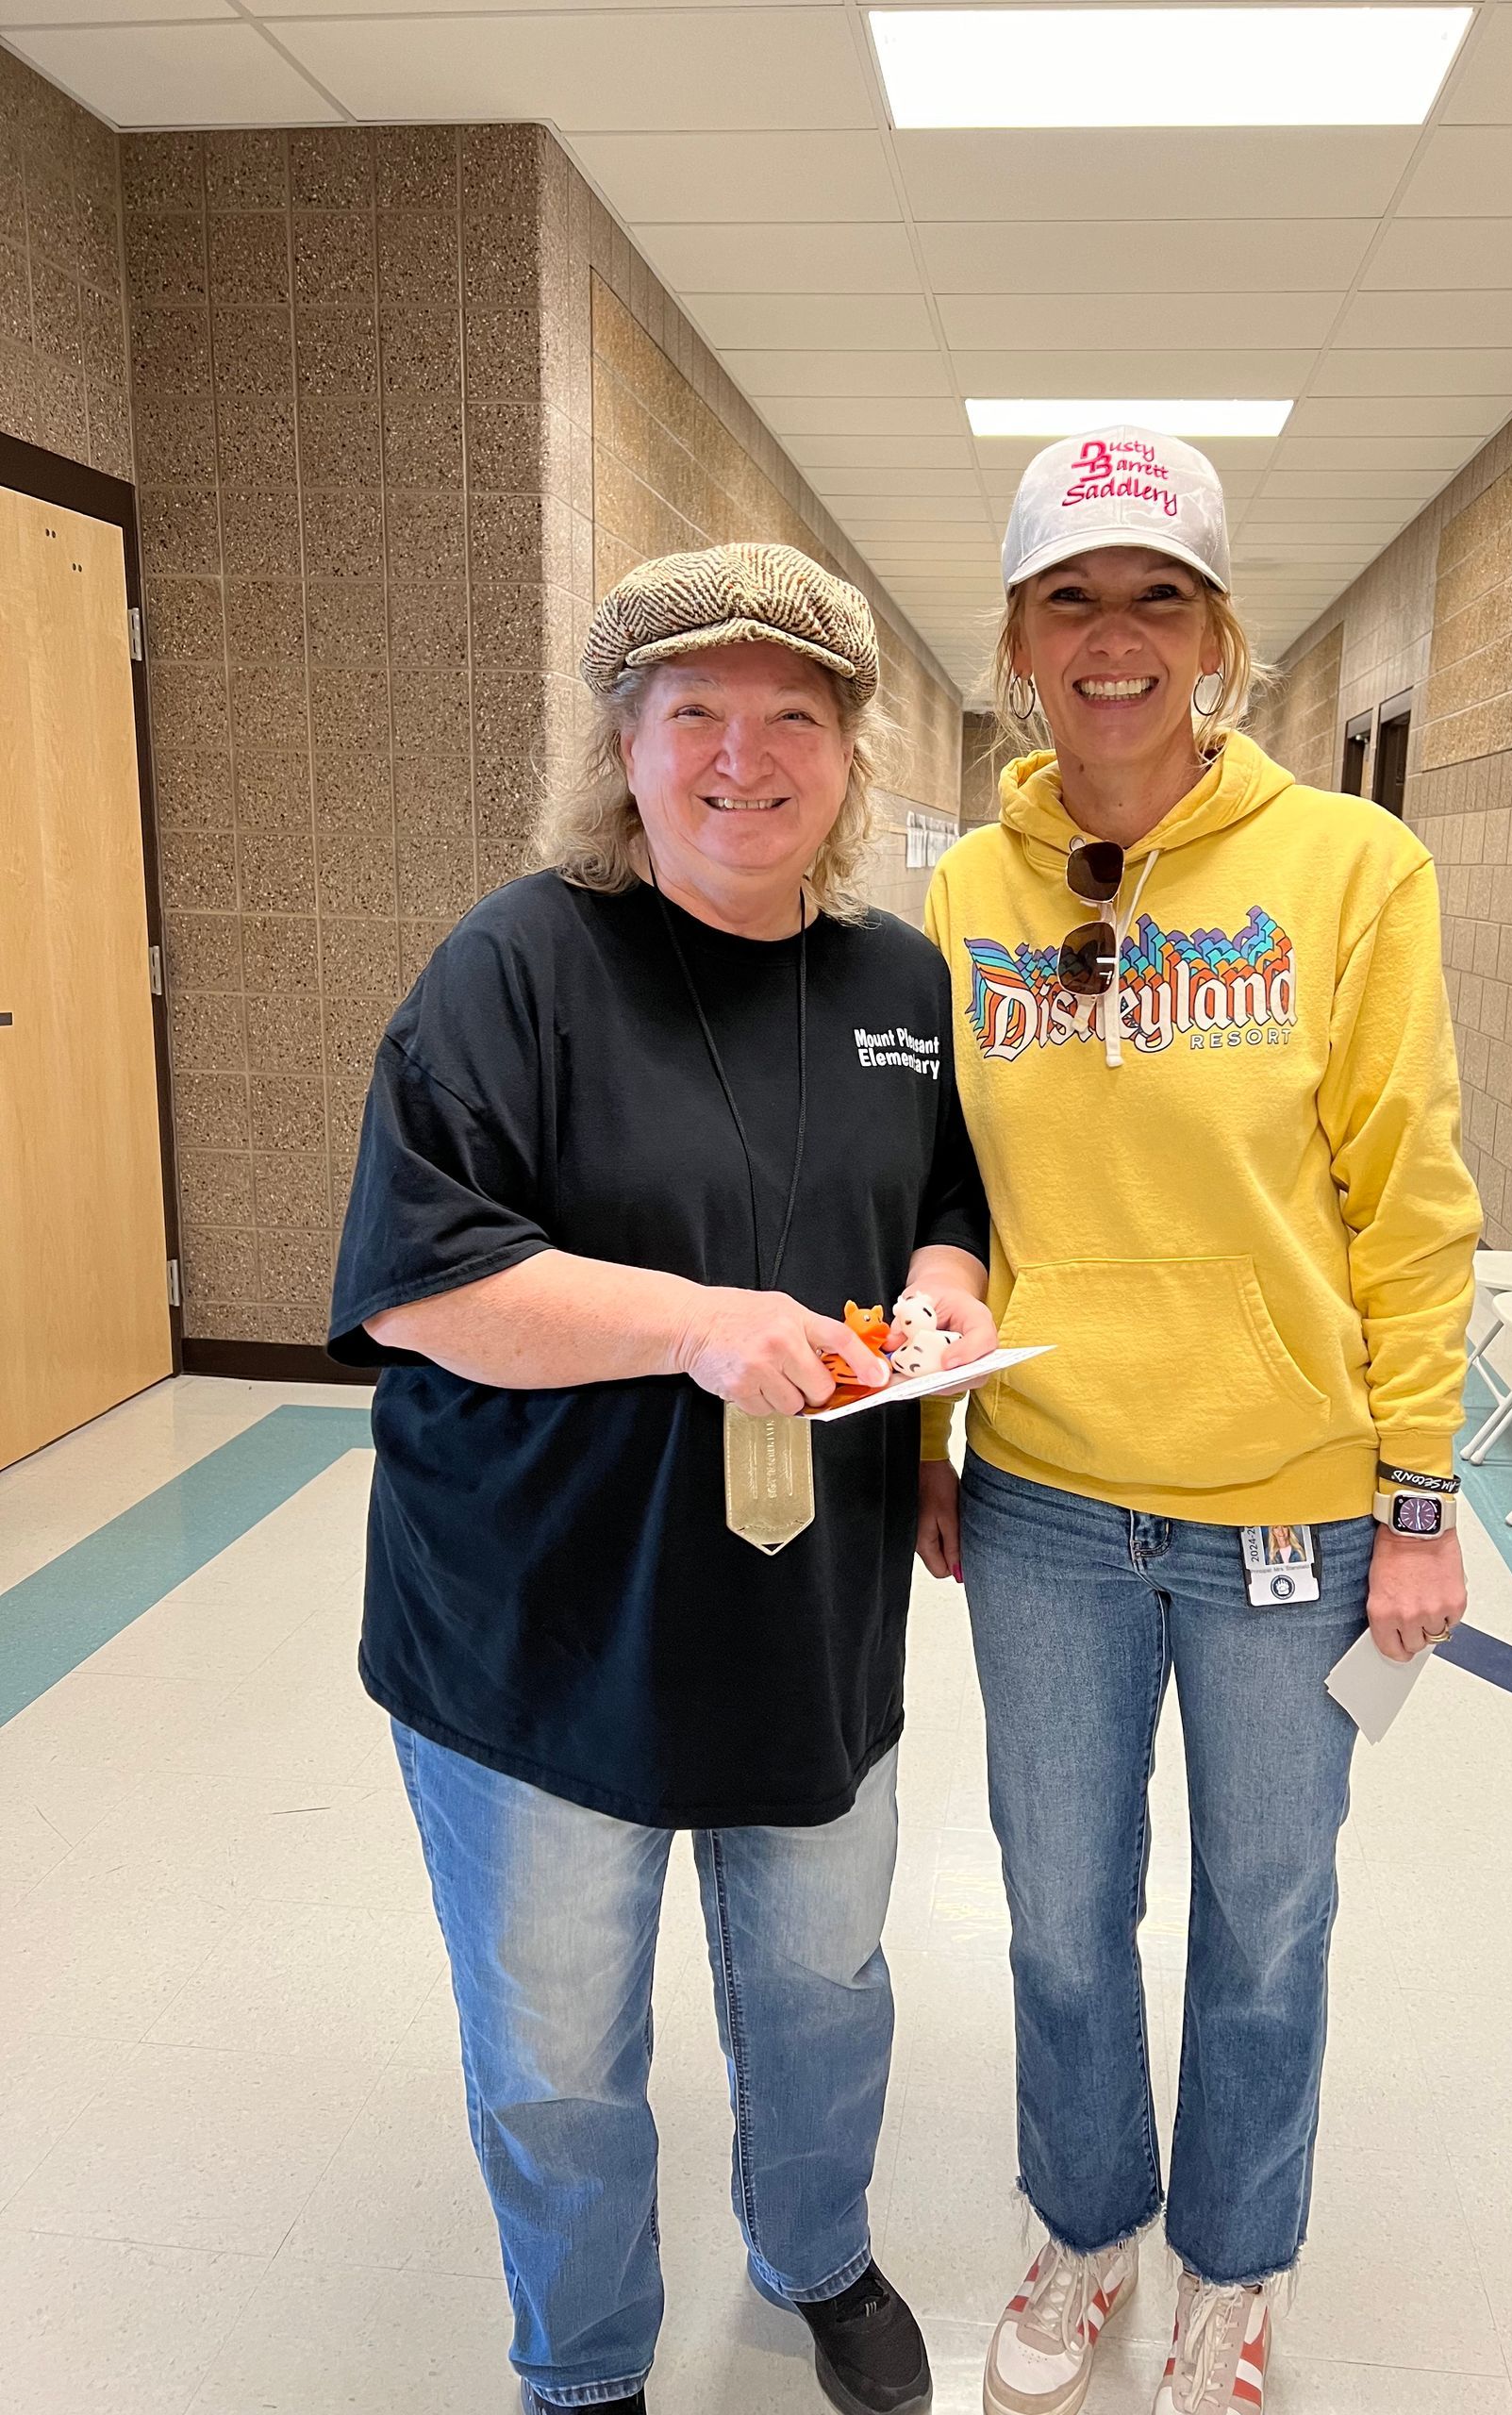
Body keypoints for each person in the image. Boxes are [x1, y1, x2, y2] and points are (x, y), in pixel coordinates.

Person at [328, 543, 995, 2415]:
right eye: (693, 709)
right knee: (554, 2048)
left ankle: (815, 2251)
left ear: (850, 759)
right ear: (623, 743)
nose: (742, 754)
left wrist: (945, 1296)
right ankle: (589, 2359)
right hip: (541, 1623)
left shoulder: (899, 983)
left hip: (806, 1607)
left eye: (794, 715)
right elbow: (422, 1280)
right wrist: (694, 1323)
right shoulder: (515, 967)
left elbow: (948, 1196)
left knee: (820, 1989)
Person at [915, 428, 1481, 2415]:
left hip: (1295, 1520)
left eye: (1159, 594)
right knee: (1062, 1916)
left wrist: (1417, 1491)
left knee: (1267, 1924)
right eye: (1073, 594)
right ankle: (1083, 2232)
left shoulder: (1351, 867)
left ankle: (1234, 2271)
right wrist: (929, 1427)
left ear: (1220, 634)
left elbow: (1411, 1199)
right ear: (1017, 637)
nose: (1116, 635)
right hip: (1051, 1500)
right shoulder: (965, 892)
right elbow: (943, 1196)